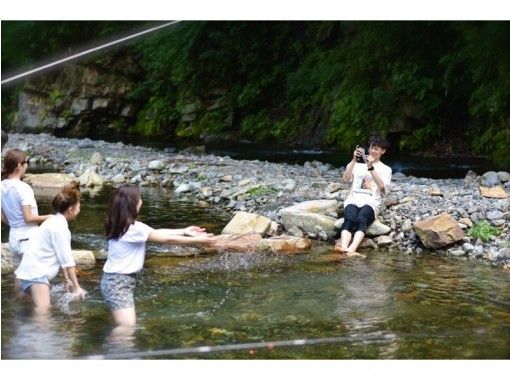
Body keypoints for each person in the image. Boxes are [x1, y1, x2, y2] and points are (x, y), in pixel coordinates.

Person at [101, 185, 213, 327]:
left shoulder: (122, 225)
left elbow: (157, 232)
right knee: (126, 328)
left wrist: (184, 231)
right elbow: (167, 240)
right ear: (133, 203)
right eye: (139, 198)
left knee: (125, 325)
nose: (141, 201)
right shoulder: (134, 228)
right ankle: (111, 349)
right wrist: (199, 240)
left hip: (113, 281)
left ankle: (116, 348)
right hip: (118, 283)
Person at [15, 182, 87, 315]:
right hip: (36, 277)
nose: (79, 208)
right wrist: (77, 287)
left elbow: (61, 256)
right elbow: (68, 260)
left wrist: (67, 280)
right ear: (71, 209)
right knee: (43, 316)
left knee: (24, 313)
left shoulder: (51, 221)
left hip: (23, 274)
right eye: (79, 205)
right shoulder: (61, 228)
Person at [335, 136, 392, 255]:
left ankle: (352, 249)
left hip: (371, 202)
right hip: (353, 199)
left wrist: (370, 166)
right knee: (349, 219)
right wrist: (353, 160)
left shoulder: (386, 169)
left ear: (383, 151)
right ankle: (344, 247)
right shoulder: (357, 165)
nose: (372, 151)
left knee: (361, 219)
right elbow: (345, 179)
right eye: (371, 148)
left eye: (376, 149)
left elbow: (382, 187)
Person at [1, 149, 52, 266]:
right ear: (19, 165)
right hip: (29, 238)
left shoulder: (1, 186)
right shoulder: (24, 188)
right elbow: (28, 218)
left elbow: (2, 216)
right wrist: (50, 217)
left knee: (19, 278)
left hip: (13, 238)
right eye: (26, 162)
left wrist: (14, 222)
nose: (27, 166)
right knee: (38, 279)